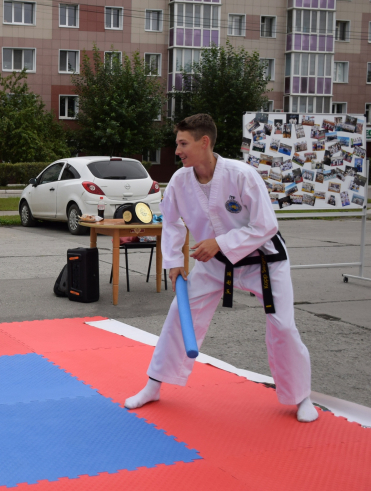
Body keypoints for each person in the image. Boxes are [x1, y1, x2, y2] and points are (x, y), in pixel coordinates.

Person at [124, 113, 318, 423]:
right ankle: (153, 385)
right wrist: (174, 262)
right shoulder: (179, 180)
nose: (177, 150)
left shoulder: (242, 175)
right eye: (177, 143)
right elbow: (171, 221)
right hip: (213, 264)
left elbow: (266, 225)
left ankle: (301, 397)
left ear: (204, 142)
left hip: (263, 262)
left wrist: (220, 242)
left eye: (183, 143)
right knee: (179, 314)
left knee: (282, 326)